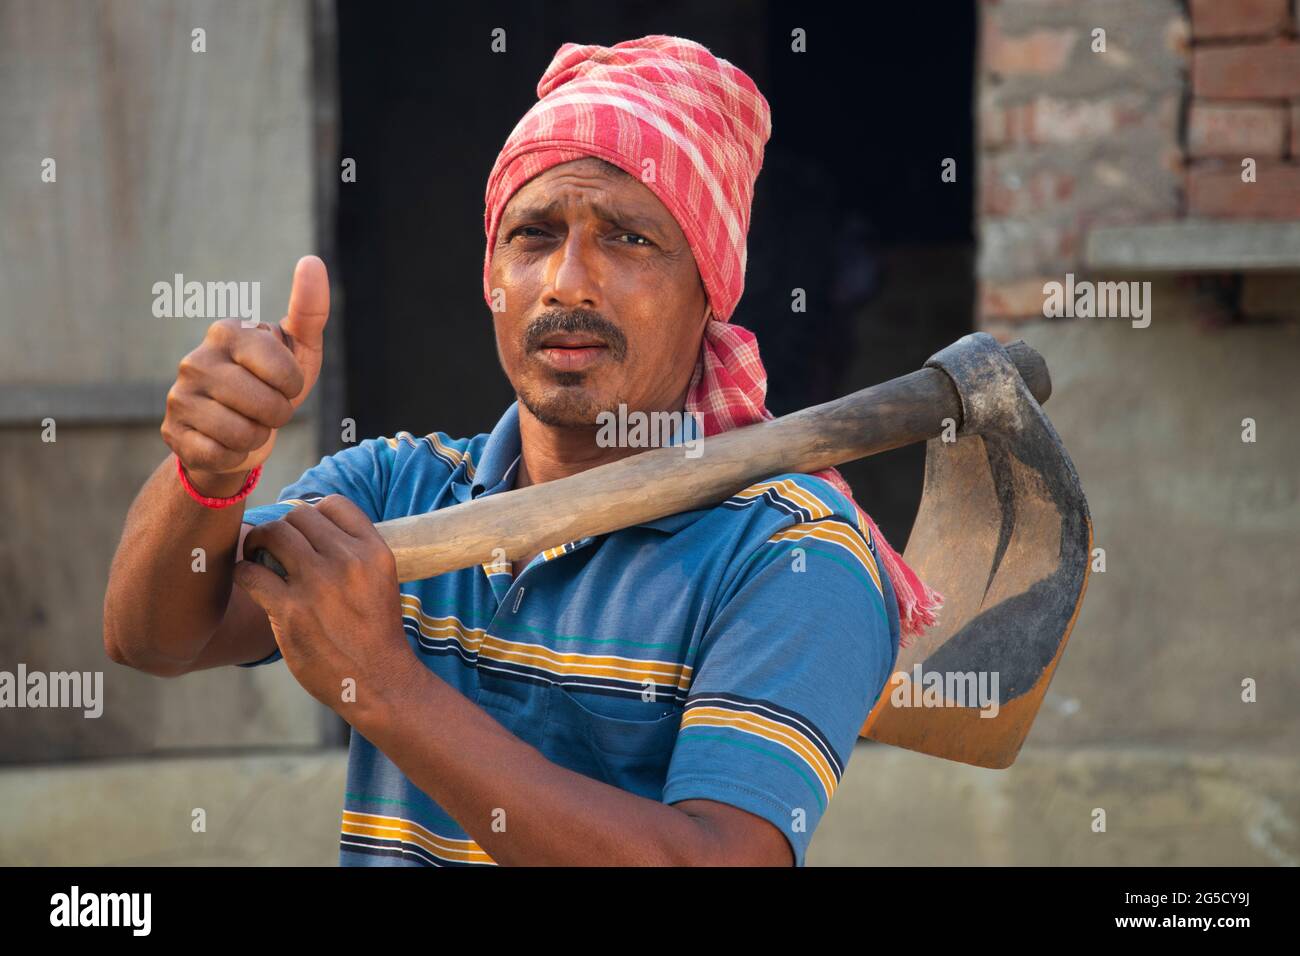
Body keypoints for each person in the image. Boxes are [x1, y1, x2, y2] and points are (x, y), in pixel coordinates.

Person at [103, 34, 938, 867]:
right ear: (492, 276)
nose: (565, 281)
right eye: (534, 235)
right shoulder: (398, 488)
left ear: (708, 290)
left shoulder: (793, 555)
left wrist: (389, 689)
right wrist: (208, 476)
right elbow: (154, 639)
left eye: (628, 239)